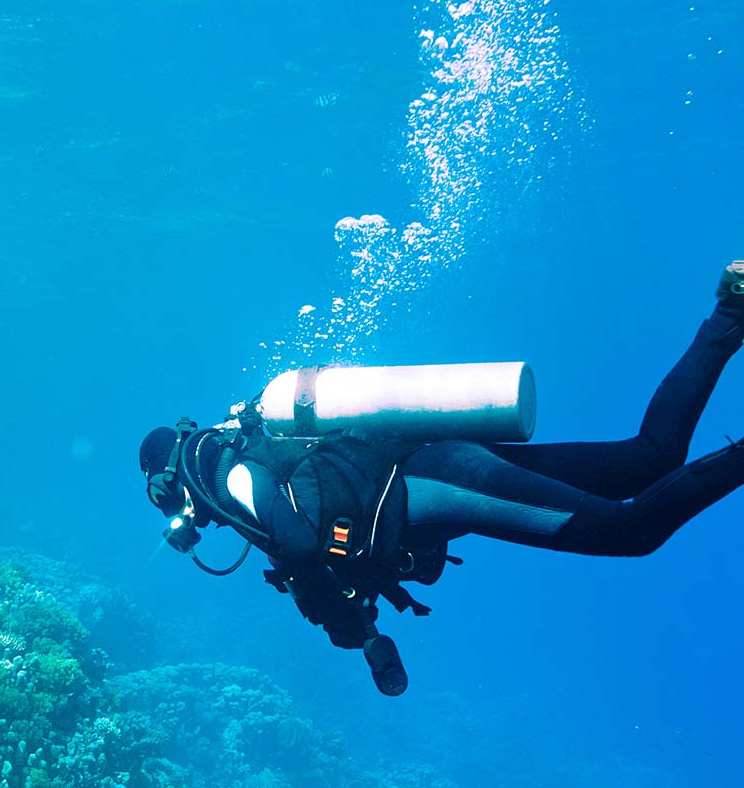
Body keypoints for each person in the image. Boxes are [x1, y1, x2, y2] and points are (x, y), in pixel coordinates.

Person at [139, 262, 744, 696]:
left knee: (630, 529)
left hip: (437, 479)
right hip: (434, 462)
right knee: (644, 462)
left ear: (171, 480)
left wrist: (328, 610)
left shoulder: (225, 474)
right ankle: (732, 308)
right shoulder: (249, 450)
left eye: (160, 496)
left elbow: (299, 543)